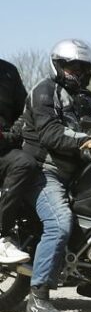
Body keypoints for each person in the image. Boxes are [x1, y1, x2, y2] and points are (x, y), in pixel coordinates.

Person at [20, 40, 91, 312]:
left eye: (81, 67)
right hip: (44, 171)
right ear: (58, 65)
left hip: (75, 171)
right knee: (59, 223)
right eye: (70, 66)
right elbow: (51, 134)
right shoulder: (44, 91)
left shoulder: (82, 96)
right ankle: (37, 297)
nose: (75, 71)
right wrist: (88, 141)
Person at [0, 59, 36, 264]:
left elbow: (24, 110)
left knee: (32, 163)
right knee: (23, 163)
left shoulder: (8, 71)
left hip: (6, 147)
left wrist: (11, 135)